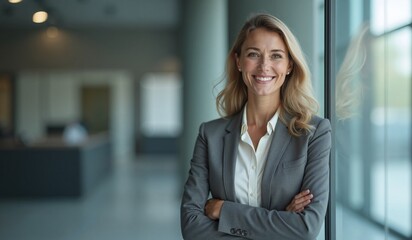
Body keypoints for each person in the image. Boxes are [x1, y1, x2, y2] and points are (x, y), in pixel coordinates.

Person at [181, 13, 331, 240]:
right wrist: (280, 221)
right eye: (253, 54)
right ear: (239, 61)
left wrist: (224, 211)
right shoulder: (209, 135)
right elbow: (192, 227)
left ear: (289, 65)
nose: (264, 66)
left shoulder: (314, 133)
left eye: (276, 56)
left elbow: (305, 228)